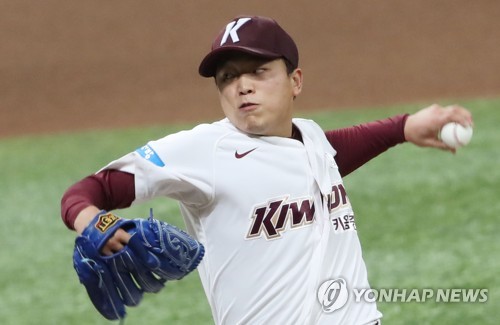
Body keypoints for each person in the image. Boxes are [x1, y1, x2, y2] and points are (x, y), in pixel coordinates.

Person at [61, 15, 473, 324]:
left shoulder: (310, 140)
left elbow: (333, 151)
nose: (242, 85)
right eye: (228, 77)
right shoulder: (203, 150)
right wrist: (93, 222)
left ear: (295, 81)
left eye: (258, 71)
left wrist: (402, 127)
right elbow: (87, 191)